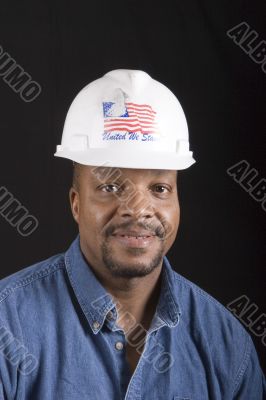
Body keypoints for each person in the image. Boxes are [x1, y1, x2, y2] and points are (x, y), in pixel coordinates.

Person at [0, 69, 265, 400]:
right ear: (76, 204)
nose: (138, 209)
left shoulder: (226, 347)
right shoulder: (7, 327)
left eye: (159, 188)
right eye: (110, 187)